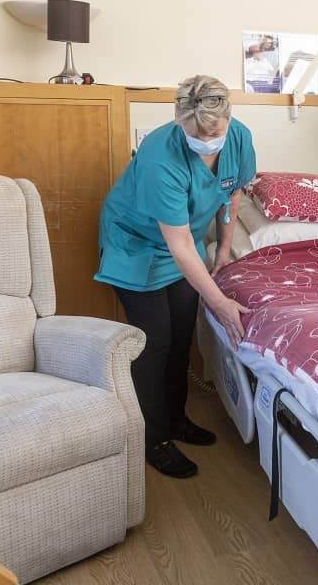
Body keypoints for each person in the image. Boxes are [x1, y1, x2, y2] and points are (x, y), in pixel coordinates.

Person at [95, 75, 255, 478]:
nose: (206, 139)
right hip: (136, 245)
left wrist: (222, 247)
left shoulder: (238, 138)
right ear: (180, 122)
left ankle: (176, 419)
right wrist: (218, 300)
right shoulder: (158, 156)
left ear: (229, 116)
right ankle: (153, 439)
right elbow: (180, 244)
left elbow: (233, 193)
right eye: (195, 133)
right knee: (155, 342)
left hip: (183, 248)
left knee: (181, 335)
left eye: (214, 130)